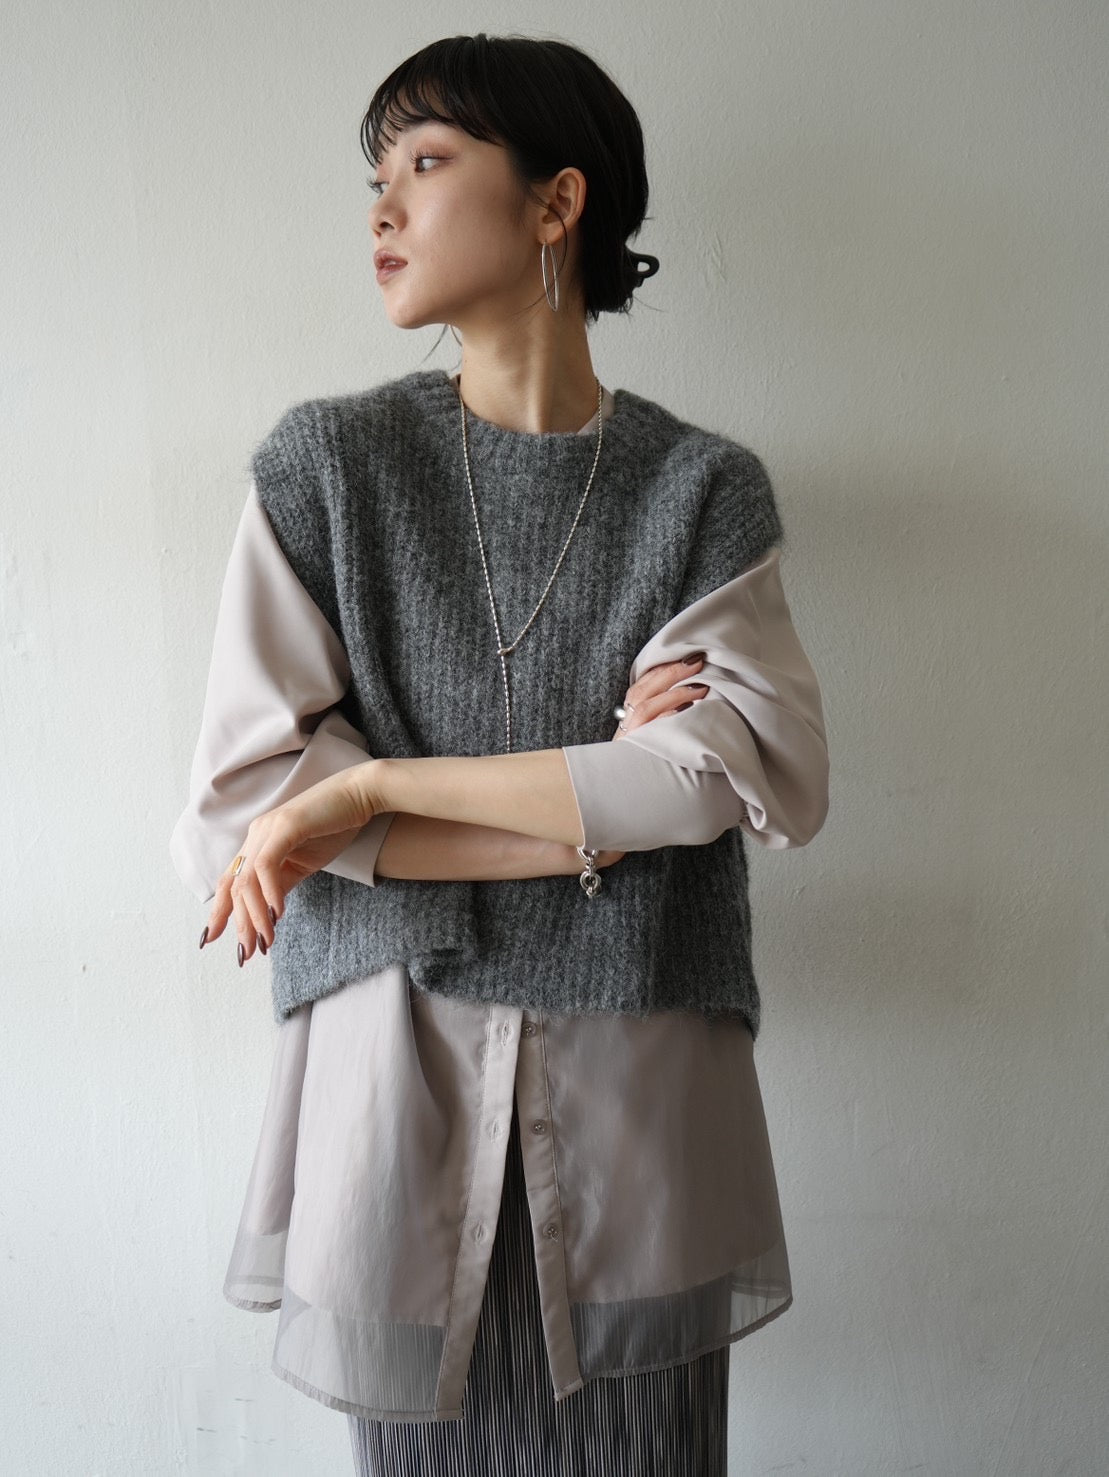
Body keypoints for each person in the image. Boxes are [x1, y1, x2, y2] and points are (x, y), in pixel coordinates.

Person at [170, 32, 830, 1477]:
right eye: (375, 174)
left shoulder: (699, 490)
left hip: (638, 1096)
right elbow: (240, 812)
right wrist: (593, 805)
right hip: (393, 1083)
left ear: (555, 202)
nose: (382, 207)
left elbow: (736, 781)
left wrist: (369, 786)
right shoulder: (327, 471)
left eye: (426, 160)